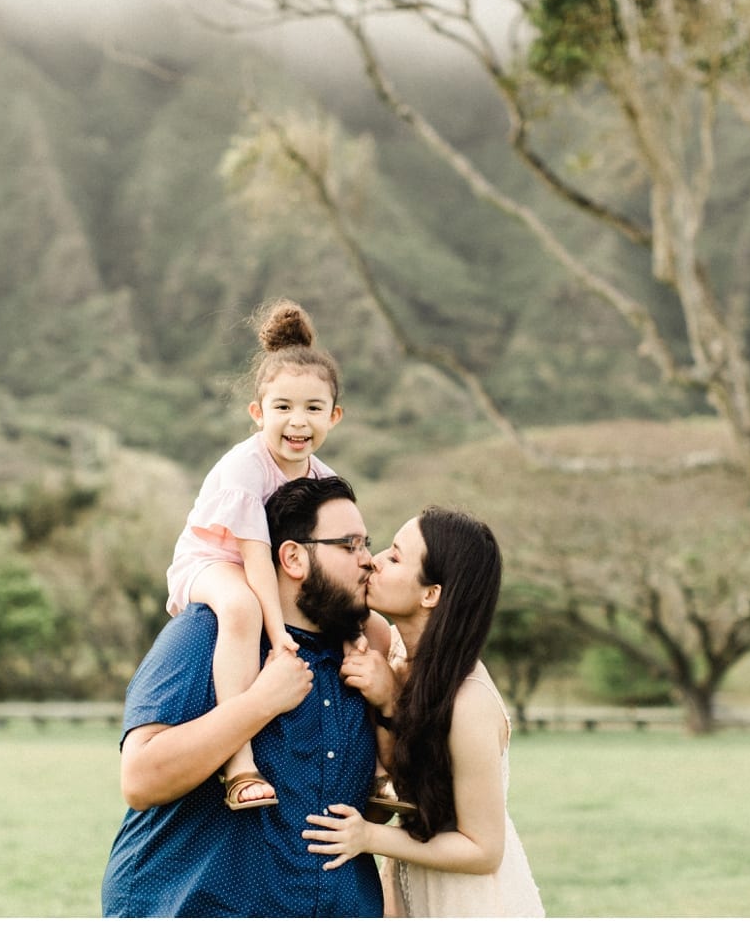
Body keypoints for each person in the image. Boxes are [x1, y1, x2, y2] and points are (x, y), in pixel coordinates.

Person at [101, 475, 386, 917]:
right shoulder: (208, 632)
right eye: (349, 546)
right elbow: (140, 780)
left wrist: (390, 702)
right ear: (293, 557)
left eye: (367, 544)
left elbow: (371, 811)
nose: (369, 561)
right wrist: (260, 703)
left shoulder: (360, 661)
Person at [304, 507, 546, 917]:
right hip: (416, 883)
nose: (373, 560)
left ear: (431, 594)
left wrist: (368, 837)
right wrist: (386, 702)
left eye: (395, 557)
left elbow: (482, 849)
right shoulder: (400, 658)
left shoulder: (468, 702)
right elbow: (409, 775)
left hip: (471, 904)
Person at [163, 298, 345, 810]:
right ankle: (239, 766)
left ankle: (382, 772)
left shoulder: (324, 479)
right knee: (241, 607)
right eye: (282, 407)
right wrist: (278, 634)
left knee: (363, 627)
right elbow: (256, 559)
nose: (297, 421)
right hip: (211, 562)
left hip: (267, 570)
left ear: (334, 415)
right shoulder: (246, 469)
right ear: (257, 413)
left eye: (312, 408)